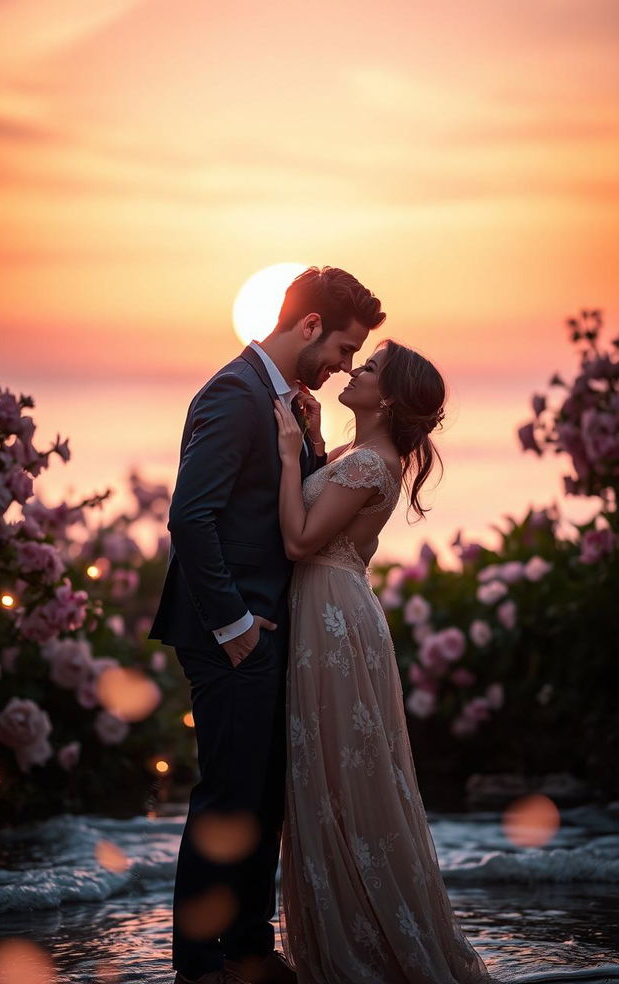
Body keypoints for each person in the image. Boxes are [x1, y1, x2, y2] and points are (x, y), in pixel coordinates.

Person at [149, 266, 386, 984]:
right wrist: (234, 625)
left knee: (265, 797)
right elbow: (191, 517)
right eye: (343, 349)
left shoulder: (283, 401)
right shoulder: (233, 393)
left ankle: (248, 949)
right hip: (232, 634)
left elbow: (284, 505)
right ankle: (199, 965)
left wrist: (311, 449)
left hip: (277, 632)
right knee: (228, 798)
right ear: (308, 325)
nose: (344, 366)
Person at [274, 340, 495, 984]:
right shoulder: (357, 457)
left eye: (367, 369)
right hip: (330, 609)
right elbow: (322, 509)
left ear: (388, 398)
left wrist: (290, 458)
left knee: (346, 775)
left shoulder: (373, 464)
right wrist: (313, 447)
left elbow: (298, 539)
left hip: (332, 614)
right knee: (334, 772)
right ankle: (350, 927)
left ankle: (371, 944)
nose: (353, 370)